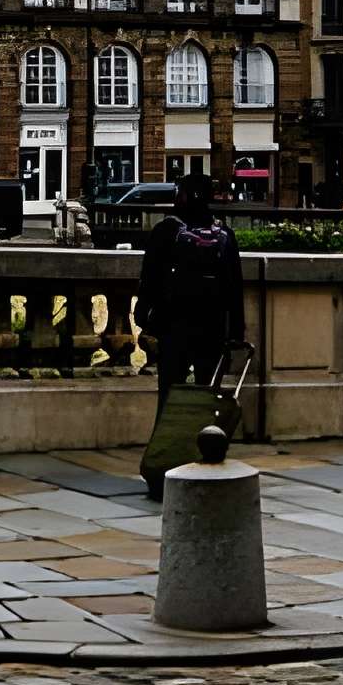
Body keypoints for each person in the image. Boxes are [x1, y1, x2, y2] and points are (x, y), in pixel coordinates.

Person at [132, 173, 244, 486]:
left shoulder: (166, 231)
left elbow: (150, 279)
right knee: (206, 401)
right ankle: (205, 458)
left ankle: (163, 461)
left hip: (175, 327)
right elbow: (234, 289)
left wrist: (146, 317)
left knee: (169, 398)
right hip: (212, 330)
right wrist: (236, 332)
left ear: (186, 195)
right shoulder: (224, 235)